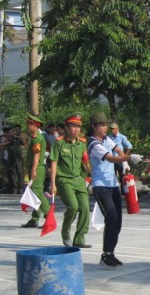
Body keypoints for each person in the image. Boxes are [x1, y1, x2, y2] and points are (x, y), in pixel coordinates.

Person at [88, 112, 143, 268]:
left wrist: (124, 161)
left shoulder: (107, 139)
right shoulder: (94, 144)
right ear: (94, 127)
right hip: (101, 186)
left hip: (113, 185)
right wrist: (129, 158)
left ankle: (110, 253)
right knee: (111, 216)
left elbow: (117, 150)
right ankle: (105, 256)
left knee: (117, 220)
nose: (105, 127)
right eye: (102, 125)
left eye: (106, 125)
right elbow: (111, 158)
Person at [50, 114, 92, 248]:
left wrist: (93, 176)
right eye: (73, 126)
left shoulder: (82, 144)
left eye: (78, 126)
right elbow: (54, 163)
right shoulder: (59, 143)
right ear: (66, 127)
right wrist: (53, 184)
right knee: (73, 207)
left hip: (79, 180)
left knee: (85, 208)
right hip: (64, 180)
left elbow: (86, 163)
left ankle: (79, 238)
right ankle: (65, 233)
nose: (76, 129)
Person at [22, 114, 50, 228]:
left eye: (29, 124)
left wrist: (33, 171)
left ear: (35, 125)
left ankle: (49, 217)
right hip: (36, 168)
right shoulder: (35, 137)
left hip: (37, 168)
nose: (28, 126)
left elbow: (37, 156)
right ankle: (34, 219)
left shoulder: (37, 138)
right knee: (35, 194)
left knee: (38, 193)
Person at [109, 122, 133, 194]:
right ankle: (115, 190)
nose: (111, 130)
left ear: (117, 129)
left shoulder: (122, 137)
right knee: (113, 175)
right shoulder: (109, 137)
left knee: (122, 175)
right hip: (112, 159)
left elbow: (129, 146)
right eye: (111, 129)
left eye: (113, 129)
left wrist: (125, 156)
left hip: (119, 159)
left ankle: (123, 191)